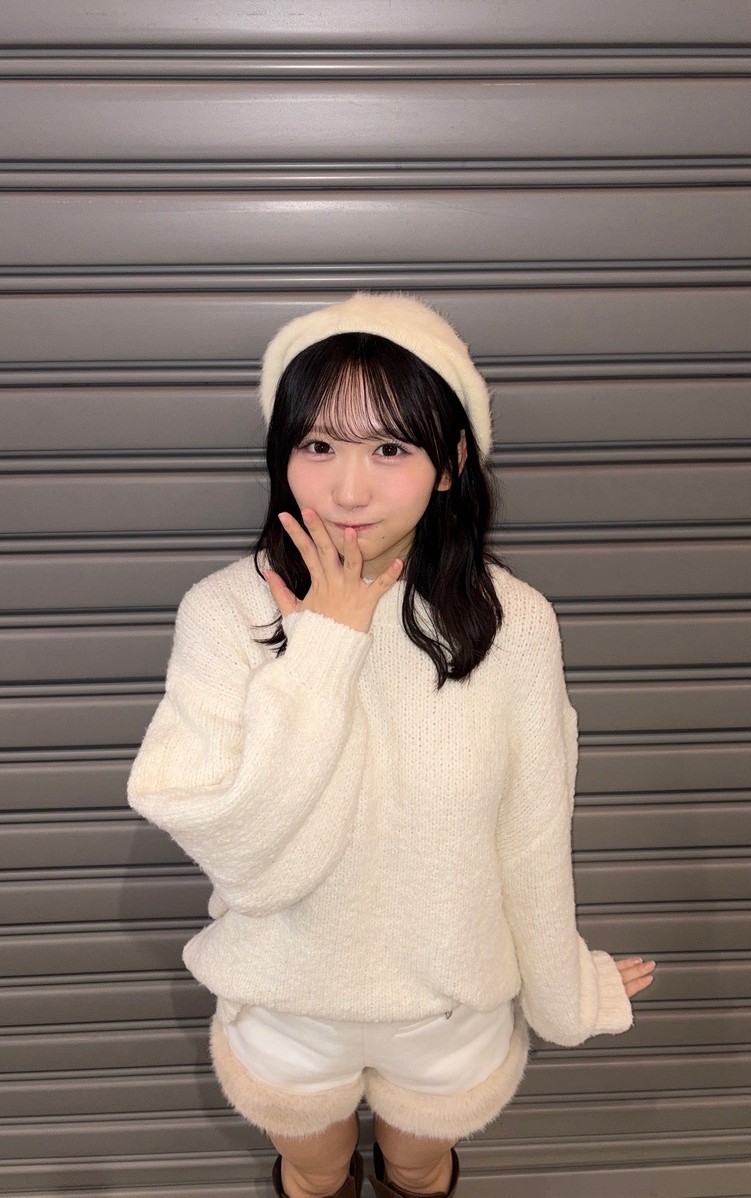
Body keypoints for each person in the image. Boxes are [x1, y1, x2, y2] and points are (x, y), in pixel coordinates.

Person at [127, 293, 655, 1198]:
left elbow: (530, 833)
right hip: (288, 1002)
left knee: (417, 1169)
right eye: (317, 445)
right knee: (314, 1172)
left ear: (450, 464)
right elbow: (248, 858)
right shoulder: (224, 612)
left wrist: (564, 988)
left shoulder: (512, 623)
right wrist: (326, 646)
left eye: (389, 449)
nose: (348, 490)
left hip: (448, 1008)